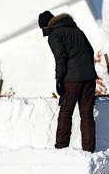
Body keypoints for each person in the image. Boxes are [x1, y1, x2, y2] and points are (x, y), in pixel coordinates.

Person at [38, 10, 98, 152]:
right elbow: (91, 51)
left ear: (46, 26)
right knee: (87, 114)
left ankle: (61, 146)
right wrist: (88, 70)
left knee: (65, 112)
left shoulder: (54, 35)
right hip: (89, 78)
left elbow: (60, 57)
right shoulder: (77, 30)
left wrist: (59, 79)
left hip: (72, 79)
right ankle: (89, 149)